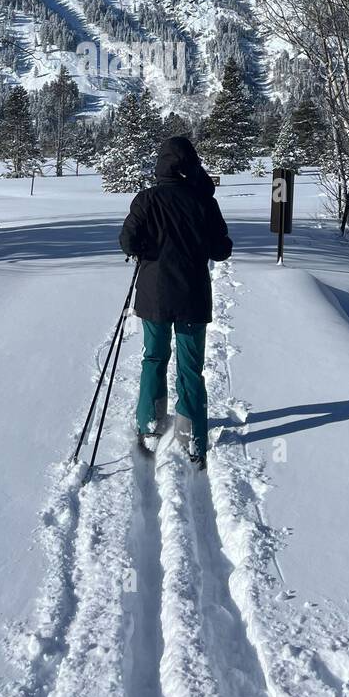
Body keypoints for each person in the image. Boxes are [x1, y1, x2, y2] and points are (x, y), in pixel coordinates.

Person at [118, 136, 233, 470]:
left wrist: (144, 249)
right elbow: (221, 249)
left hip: (154, 294)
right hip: (193, 296)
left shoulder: (147, 200)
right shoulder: (203, 201)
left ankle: (150, 425)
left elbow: (126, 240)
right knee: (190, 367)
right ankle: (192, 435)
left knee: (153, 356)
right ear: (191, 165)